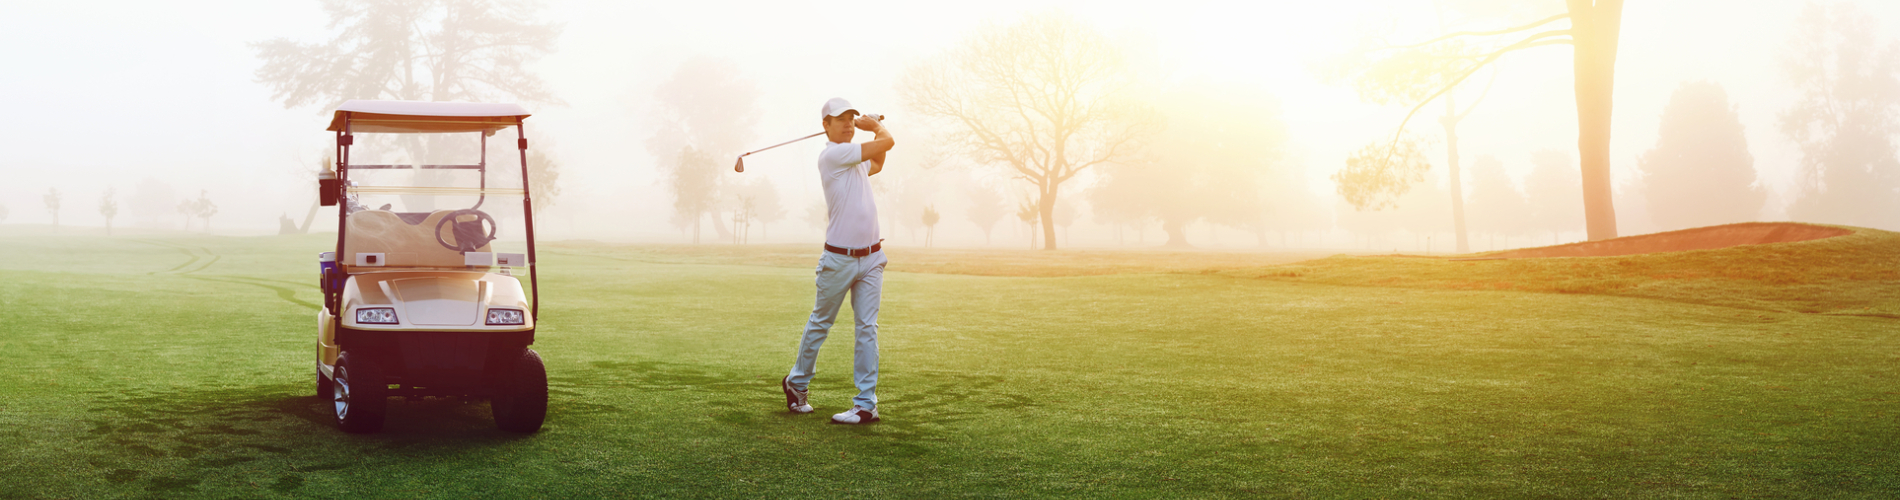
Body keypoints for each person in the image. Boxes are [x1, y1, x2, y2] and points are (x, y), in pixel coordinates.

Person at [782, 97, 895, 425]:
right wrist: (873, 127)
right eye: (840, 119)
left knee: (867, 329)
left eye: (851, 118)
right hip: (839, 260)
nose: (847, 123)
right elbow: (887, 141)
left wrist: (873, 135)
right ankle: (797, 382)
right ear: (825, 126)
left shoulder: (852, 158)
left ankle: (865, 404)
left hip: (872, 258)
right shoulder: (833, 154)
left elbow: (880, 160)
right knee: (821, 322)